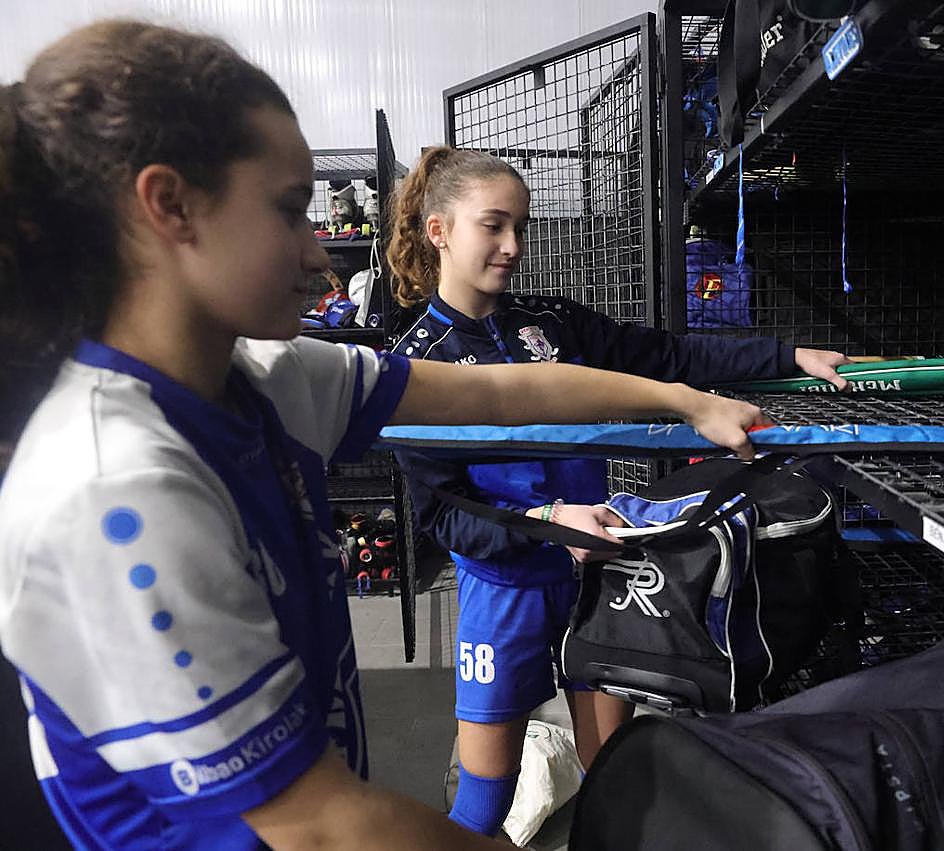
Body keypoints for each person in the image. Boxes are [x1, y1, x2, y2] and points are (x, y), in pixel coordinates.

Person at [0, 21, 770, 851]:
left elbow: (507, 392)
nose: (319, 258)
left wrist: (686, 399)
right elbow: (323, 826)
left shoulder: (274, 378)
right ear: (171, 205)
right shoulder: (118, 485)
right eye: (291, 211)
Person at [385, 145, 851, 838]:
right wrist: (546, 520)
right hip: (504, 593)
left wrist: (788, 356)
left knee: (610, 782)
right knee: (483, 805)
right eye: (494, 225)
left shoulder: (553, 324)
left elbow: (672, 356)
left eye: (522, 227)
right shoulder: (413, 366)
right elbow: (443, 515)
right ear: (439, 230)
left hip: (599, 581)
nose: (513, 246)